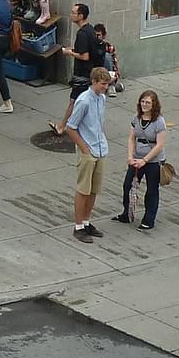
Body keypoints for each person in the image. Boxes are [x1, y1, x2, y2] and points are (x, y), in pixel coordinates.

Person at [58, 67, 111, 242]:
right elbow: (70, 128)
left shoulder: (102, 99)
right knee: (83, 189)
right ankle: (78, 226)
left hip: (100, 148)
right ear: (94, 82)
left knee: (94, 189)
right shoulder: (84, 101)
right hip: (88, 150)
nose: (105, 87)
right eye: (103, 84)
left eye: (107, 84)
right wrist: (85, 149)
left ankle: (87, 222)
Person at [117, 90, 168, 230]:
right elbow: (131, 138)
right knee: (128, 185)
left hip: (154, 161)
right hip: (136, 159)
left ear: (154, 104)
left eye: (148, 102)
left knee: (152, 190)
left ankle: (149, 219)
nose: (144, 104)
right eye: (143, 101)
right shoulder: (136, 118)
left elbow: (160, 145)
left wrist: (144, 160)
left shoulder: (159, 122)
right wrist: (130, 157)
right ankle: (126, 214)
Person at [66, 2, 99, 101]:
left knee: (74, 101)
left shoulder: (82, 34)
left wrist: (69, 53)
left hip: (83, 74)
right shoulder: (90, 29)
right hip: (89, 72)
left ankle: (69, 117)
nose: (71, 15)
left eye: (73, 13)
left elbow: (85, 56)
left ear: (80, 16)